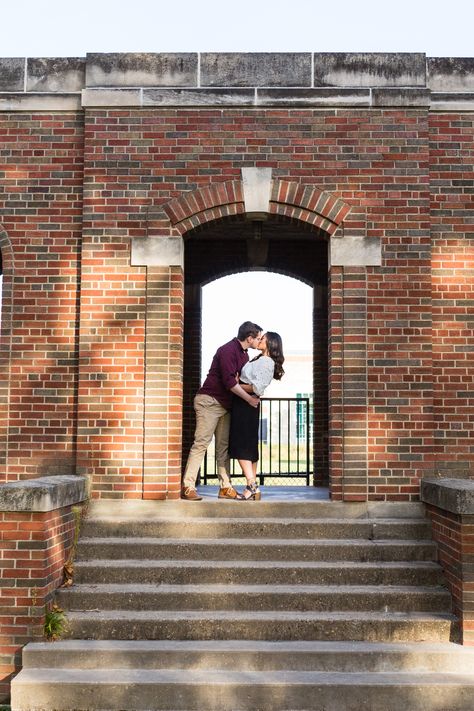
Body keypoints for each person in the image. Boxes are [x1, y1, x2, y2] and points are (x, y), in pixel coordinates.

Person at [181, 321, 262, 501]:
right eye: (257, 338)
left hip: (225, 405)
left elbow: (239, 381)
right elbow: (230, 382)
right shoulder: (227, 350)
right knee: (201, 443)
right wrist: (249, 398)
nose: (259, 341)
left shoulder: (244, 355)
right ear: (249, 338)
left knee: (223, 448)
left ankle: (225, 487)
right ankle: (188, 486)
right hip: (209, 401)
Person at [229, 332, 285, 500]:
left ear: (271, 343)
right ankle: (252, 489)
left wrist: (237, 384)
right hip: (244, 404)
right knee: (248, 447)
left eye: (263, 338)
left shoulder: (267, 362)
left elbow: (257, 388)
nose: (260, 339)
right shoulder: (260, 359)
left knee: (240, 446)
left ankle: (252, 485)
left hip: (246, 405)